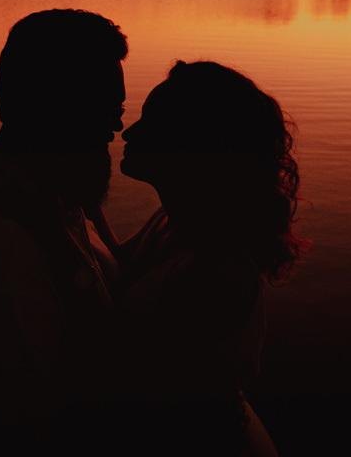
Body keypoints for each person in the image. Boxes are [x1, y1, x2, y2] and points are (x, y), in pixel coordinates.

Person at [0, 9, 128, 454]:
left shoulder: (48, 195)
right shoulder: (0, 272)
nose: (117, 127)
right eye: (103, 110)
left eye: (119, 109)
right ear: (51, 110)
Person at [110, 60, 307, 456]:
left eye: (151, 124)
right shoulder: (172, 220)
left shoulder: (219, 274)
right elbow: (113, 271)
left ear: (194, 146)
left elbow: (146, 386)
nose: (129, 132)